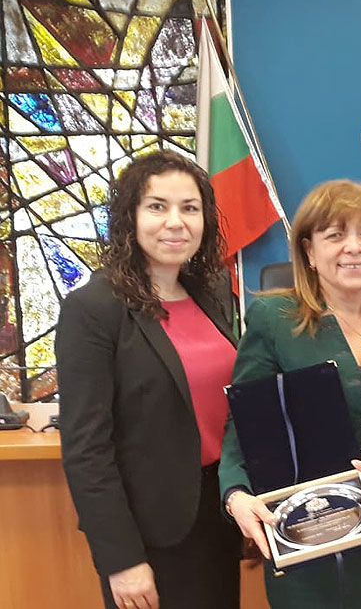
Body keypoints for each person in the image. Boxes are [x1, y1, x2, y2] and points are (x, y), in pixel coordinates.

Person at [219, 179, 361, 609]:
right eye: (336, 235)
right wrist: (235, 495)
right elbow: (244, 425)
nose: (354, 247)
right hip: (305, 542)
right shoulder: (274, 319)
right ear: (309, 251)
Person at [56, 150, 241, 609]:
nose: (175, 222)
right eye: (157, 206)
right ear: (129, 217)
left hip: (220, 514)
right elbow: (86, 449)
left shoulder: (214, 291)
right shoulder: (93, 309)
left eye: (190, 208)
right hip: (148, 534)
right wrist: (121, 560)